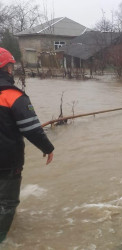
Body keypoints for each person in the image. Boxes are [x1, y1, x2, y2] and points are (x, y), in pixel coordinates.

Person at [0, 47, 54, 243]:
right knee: (7, 203)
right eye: (11, 66)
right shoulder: (13, 96)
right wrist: (48, 148)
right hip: (7, 161)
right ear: (6, 69)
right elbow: (31, 129)